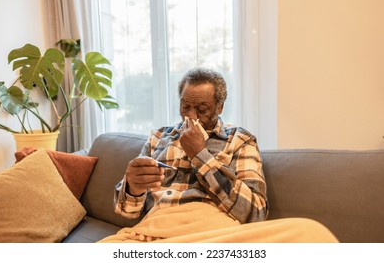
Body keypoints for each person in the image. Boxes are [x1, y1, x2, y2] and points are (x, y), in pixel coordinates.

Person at [99, 67, 338, 243]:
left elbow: (255, 212)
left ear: (220, 107)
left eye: (202, 109)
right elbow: (127, 212)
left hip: (217, 236)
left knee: (311, 234)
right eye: (185, 107)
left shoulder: (240, 140)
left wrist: (200, 155)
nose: (191, 116)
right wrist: (132, 187)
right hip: (157, 234)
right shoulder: (158, 137)